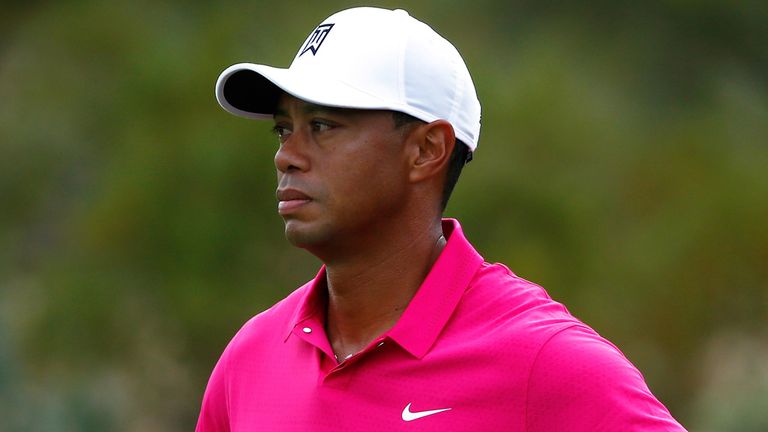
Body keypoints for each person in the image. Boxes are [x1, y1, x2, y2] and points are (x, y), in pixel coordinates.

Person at [196, 7, 686, 431]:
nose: (287, 156)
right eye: (284, 130)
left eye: (322, 126)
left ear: (427, 150)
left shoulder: (546, 362)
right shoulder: (251, 358)